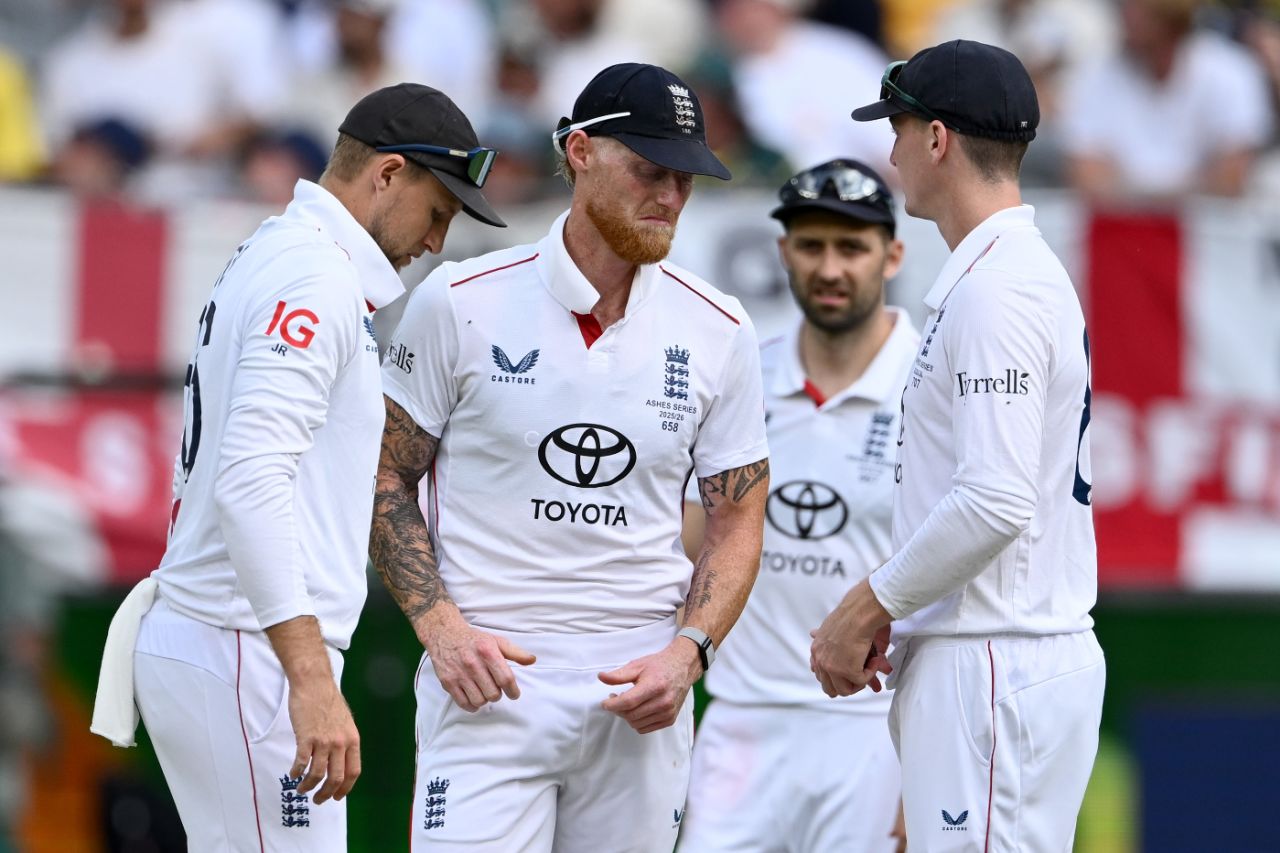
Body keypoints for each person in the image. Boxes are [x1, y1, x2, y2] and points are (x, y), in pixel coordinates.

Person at [90, 83, 506, 852]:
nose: (436, 242)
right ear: (386, 175)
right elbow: (251, 481)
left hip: (234, 638)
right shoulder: (314, 274)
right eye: (437, 212)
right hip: (245, 646)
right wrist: (309, 680)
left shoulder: (281, 250)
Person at [370, 62, 770, 852]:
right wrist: (439, 626)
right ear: (580, 151)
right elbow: (383, 475)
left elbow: (738, 516)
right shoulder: (460, 300)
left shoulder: (721, 327)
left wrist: (689, 652)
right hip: (486, 688)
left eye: (686, 179)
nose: (670, 197)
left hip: (642, 699)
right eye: (649, 170)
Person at [813, 40, 1106, 850]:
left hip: (996, 658)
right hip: (995, 655)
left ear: (937, 139)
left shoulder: (999, 291)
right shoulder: (1010, 275)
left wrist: (862, 608)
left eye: (899, 129)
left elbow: (995, 498)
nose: (893, 152)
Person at [676, 159, 915, 853]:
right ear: (782, 252)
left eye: (852, 247)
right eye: (811, 246)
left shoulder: (929, 381)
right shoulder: (741, 374)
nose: (830, 267)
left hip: (875, 726)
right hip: (743, 719)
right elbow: (693, 541)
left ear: (892, 255)